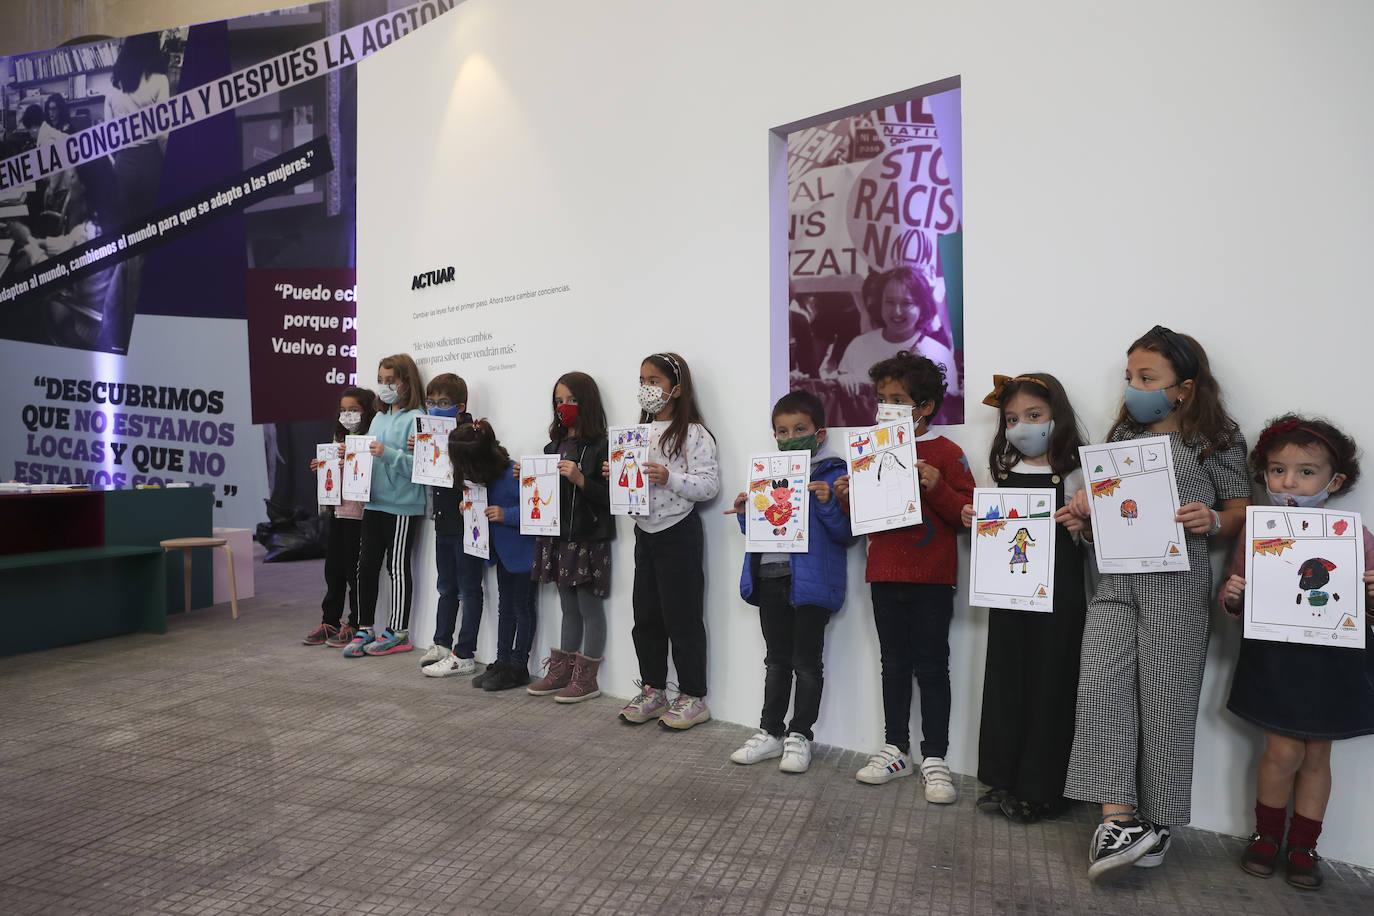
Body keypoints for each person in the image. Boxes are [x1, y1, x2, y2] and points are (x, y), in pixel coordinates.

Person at [1059, 326, 1251, 882]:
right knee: (1103, 687)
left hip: (1179, 582)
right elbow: (1111, 516)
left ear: (1184, 388)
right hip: (1117, 582)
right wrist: (1084, 516)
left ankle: (1158, 823)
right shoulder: (1120, 440)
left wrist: (1214, 519)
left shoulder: (1216, 442)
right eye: (1130, 378)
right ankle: (1116, 821)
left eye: (1148, 378)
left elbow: (1239, 510)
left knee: (1166, 700)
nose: (1134, 387)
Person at [1219, 415, 1374, 890]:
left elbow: (1368, 606)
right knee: (1281, 750)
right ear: (1264, 474)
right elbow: (1235, 597)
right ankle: (1267, 836)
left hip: (1333, 662)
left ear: (1335, 480)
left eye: (1306, 471)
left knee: (1316, 757)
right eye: (1277, 470)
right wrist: (1234, 593)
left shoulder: (1355, 536)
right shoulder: (1258, 531)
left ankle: (1304, 845)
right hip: (1278, 657)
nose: (1289, 481)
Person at [834, 352, 975, 801]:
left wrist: (937, 486)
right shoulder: (873, 447)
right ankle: (896, 747)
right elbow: (865, 518)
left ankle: (935, 756)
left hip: (933, 577)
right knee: (892, 664)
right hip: (884, 572)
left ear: (926, 406)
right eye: (881, 399)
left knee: (933, 667)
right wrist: (844, 497)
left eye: (898, 400)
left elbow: (969, 516)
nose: (885, 408)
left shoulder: (947, 453)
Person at [960, 374, 1088, 822]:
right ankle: (1003, 777)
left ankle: (1044, 788)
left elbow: (1094, 538)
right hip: (1010, 595)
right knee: (1006, 681)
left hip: (1059, 599)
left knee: (1051, 685)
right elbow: (997, 536)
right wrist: (976, 520)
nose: (1021, 426)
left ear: (1058, 416)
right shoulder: (1004, 471)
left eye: (1034, 416)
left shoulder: (1076, 474)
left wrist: (1083, 525)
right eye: (1012, 418)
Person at [727, 390, 851, 773]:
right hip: (769, 577)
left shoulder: (833, 474)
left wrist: (829, 501)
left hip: (811, 586)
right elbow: (761, 532)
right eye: (782, 430)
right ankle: (770, 732)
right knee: (776, 661)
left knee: (807, 664)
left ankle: (800, 735)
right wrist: (747, 513)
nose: (789, 436)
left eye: (800, 428)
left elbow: (846, 534)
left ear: (820, 434)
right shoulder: (766, 473)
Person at [616, 352, 720, 729]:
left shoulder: (692, 432)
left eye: (655, 381)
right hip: (644, 532)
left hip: (678, 531)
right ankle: (653, 689)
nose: (647, 388)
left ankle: (693, 696)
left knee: (684, 617)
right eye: (642, 380)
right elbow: (631, 482)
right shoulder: (635, 433)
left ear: (676, 388)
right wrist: (618, 478)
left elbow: (709, 485)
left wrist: (669, 477)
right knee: (645, 616)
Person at [526, 372, 613, 703]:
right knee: (567, 606)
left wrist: (580, 479)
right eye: (559, 401)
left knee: (590, 606)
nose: (565, 407)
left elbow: (611, 497)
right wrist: (530, 477)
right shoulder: (553, 446)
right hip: (558, 535)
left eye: (572, 400)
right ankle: (561, 670)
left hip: (588, 536)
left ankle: (586, 678)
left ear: (586, 403)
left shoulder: (602, 446)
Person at [341, 355, 427, 658]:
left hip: (403, 505)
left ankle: (399, 630)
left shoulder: (417, 417)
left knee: (397, 568)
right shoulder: (378, 417)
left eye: (391, 379)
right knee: (365, 566)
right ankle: (365, 627)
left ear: (406, 381)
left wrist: (388, 453)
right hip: (374, 502)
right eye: (381, 379)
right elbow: (370, 457)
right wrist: (350, 454)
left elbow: (421, 466)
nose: (385, 385)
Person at [446, 419, 536, 691]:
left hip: (522, 555)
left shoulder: (514, 474)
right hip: (501, 555)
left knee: (523, 609)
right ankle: (503, 660)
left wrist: (505, 514)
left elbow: (538, 510)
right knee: (505, 607)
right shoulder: (482, 480)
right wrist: (469, 508)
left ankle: (519, 665)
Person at [413, 374, 484, 677]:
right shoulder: (429, 433)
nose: (435, 408)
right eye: (430, 402)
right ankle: (442, 643)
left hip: (468, 523)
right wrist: (419, 447)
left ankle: (464, 653)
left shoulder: (472, 434)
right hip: (443, 522)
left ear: (459, 406)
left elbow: (478, 473)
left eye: (443, 403)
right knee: (446, 587)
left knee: (469, 590)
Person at [302, 386, 376, 647]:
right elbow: (333, 473)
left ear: (366, 412)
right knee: (333, 569)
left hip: (360, 514)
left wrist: (354, 458)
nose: (347, 415)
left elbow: (368, 472)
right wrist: (321, 468)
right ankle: (329, 620)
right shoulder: (338, 437)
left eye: (354, 410)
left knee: (353, 570)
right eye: (343, 410)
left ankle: (355, 622)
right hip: (338, 510)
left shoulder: (371, 439)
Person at [836, 265, 960, 416]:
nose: (897, 311)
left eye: (906, 303)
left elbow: (946, 414)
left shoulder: (939, 354)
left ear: (922, 306)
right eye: (889, 302)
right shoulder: (857, 346)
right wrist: (843, 380)